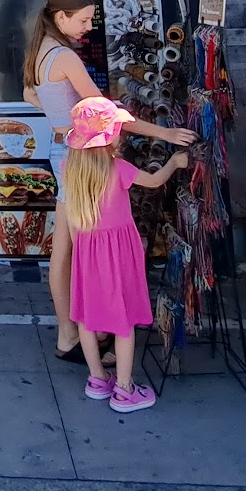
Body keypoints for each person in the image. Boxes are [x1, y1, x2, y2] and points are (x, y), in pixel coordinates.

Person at [23, 0, 196, 362]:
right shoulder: (65, 56)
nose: (88, 27)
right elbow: (105, 114)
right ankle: (77, 334)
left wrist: (54, 111)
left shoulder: (40, 51)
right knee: (79, 249)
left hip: (62, 150)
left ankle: (76, 332)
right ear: (60, 18)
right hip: (78, 155)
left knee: (66, 248)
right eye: (83, 20)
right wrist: (165, 133)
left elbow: (28, 93)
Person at [61, 95, 189, 412]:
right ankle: (124, 389)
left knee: (87, 319)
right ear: (112, 135)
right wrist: (174, 162)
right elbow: (156, 180)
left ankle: (96, 380)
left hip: (86, 250)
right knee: (123, 321)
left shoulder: (68, 167)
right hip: (117, 252)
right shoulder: (119, 168)